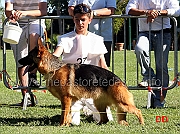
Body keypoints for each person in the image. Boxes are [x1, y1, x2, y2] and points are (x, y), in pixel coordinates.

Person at [53, 3, 113, 125]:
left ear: (90, 19)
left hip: (92, 89)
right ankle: (78, 109)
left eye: (83, 20)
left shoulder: (97, 39)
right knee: (74, 123)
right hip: (73, 90)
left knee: (107, 120)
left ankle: (88, 108)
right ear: (73, 19)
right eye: (77, 19)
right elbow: (55, 57)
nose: (80, 23)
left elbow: (104, 66)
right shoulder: (64, 39)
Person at [126, 0, 179, 108]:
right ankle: (148, 76)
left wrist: (158, 13)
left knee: (161, 66)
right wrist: (147, 12)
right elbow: (129, 10)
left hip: (164, 32)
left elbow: (176, 11)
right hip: (144, 32)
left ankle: (159, 100)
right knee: (140, 48)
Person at [5, 0, 47, 106]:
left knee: (33, 35)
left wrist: (24, 13)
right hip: (17, 25)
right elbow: (7, 10)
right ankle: (26, 97)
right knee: (21, 61)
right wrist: (12, 13)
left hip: (35, 22)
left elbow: (43, 11)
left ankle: (32, 74)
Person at [68, 0, 116, 67]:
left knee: (103, 68)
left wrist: (93, 13)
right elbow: (71, 9)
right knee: (81, 67)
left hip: (104, 36)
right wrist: (83, 15)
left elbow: (111, 10)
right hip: (80, 36)